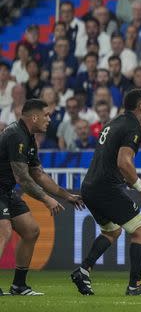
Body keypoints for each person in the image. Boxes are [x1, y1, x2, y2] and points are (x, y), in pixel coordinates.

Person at [71, 89, 141, 296]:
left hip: (91, 186)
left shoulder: (114, 122)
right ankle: (134, 286)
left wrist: (129, 180)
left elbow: (111, 162)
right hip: (105, 189)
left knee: (112, 231)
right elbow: (123, 162)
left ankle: (83, 271)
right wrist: (140, 187)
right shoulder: (134, 127)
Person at [0, 99, 84, 296]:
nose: (49, 119)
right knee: (4, 230)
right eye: (46, 115)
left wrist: (66, 196)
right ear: (34, 117)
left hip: (5, 190)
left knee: (31, 231)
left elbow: (38, 174)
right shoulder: (16, 135)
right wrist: (47, 199)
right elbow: (23, 178)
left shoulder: (28, 137)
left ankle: (19, 286)